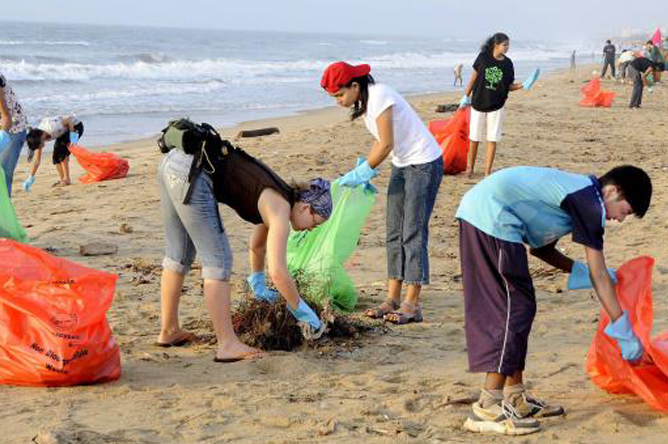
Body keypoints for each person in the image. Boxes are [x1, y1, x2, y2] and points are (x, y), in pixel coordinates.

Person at [456, 165, 652, 435]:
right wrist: (624, 331)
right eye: (625, 211)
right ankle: (489, 403)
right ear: (613, 191)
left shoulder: (581, 196)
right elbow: (599, 275)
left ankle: (515, 396)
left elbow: (541, 248)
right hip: (490, 217)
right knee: (512, 311)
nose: (619, 220)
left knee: (523, 306)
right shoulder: (589, 201)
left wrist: (578, 270)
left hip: (492, 216)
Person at [157, 134, 331, 362]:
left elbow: (257, 245)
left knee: (179, 255)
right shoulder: (280, 209)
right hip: (193, 172)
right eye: (315, 224)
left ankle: (169, 330)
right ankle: (227, 344)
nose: (311, 230)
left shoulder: (278, 195)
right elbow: (278, 273)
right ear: (306, 208)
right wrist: (300, 309)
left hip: (174, 162)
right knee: (218, 261)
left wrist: (257, 281)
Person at [320, 61, 443, 324]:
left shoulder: (380, 95)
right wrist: (365, 166)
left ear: (355, 86)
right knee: (393, 233)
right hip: (403, 163)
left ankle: (412, 304)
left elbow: (386, 144)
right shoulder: (365, 105)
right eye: (334, 97)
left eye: (340, 95)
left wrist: (362, 172)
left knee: (413, 232)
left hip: (424, 163)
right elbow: (381, 140)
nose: (338, 101)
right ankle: (392, 299)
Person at [459, 32, 538, 178]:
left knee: (492, 138)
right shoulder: (483, 58)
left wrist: (522, 85)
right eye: (505, 44)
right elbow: (473, 79)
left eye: (508, 45)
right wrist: (466, 96)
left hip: (497, 105)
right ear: (496, 45)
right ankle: (470, 169)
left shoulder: (508, 64)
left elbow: (508, 86)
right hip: (478, 103)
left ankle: (488, 172)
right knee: (474, 137)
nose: (507, 47)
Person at [24, 115, 84, 190]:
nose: (41, 147)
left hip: (75, 126)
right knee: (55, 157)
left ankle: (66, 179)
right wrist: (30, 178)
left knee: (61, 151)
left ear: (40, 139)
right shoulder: (38, 136)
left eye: (40, 146)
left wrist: (73, 138)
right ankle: (63, 180)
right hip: (63, 131)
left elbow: (69, 120)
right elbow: (37, 161)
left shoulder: (52, 128)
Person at [0, 71, 29, 197]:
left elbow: (7, 117)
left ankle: (5, 214)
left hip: (14, 129)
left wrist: (2, 140)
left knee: (3, 175)